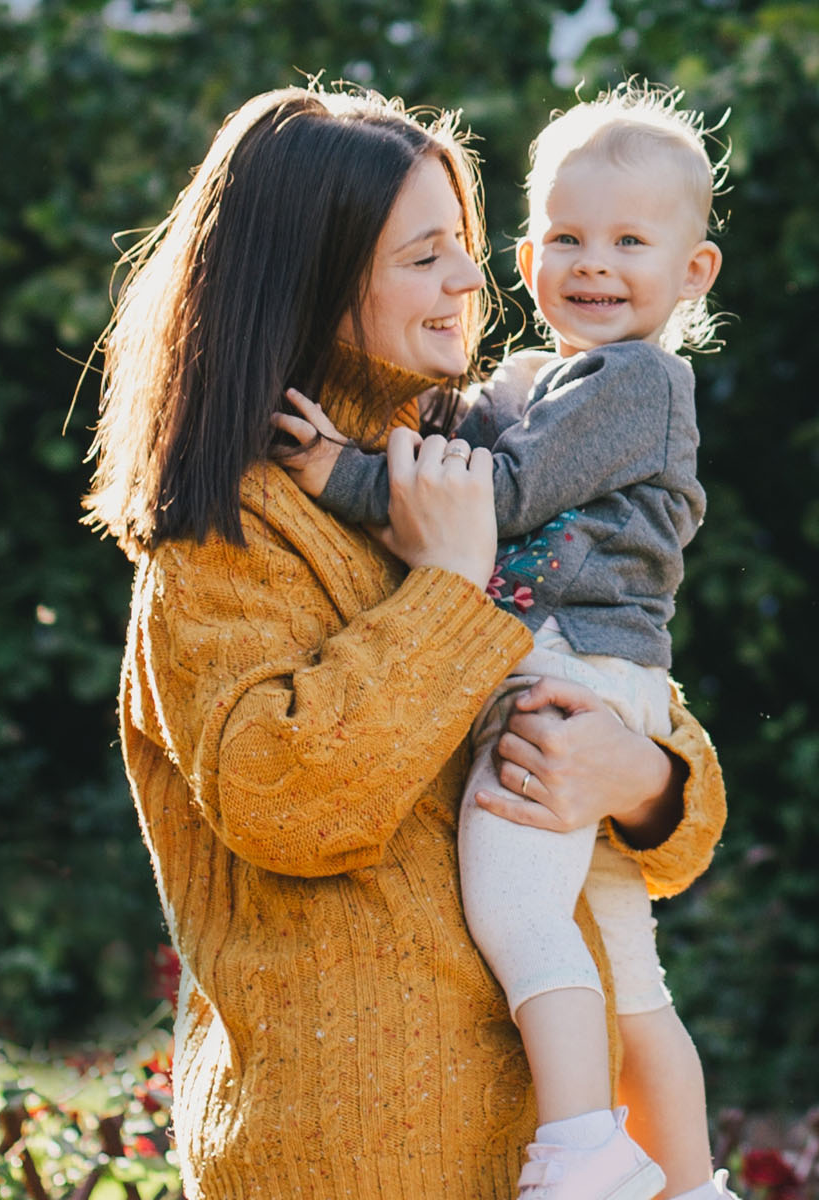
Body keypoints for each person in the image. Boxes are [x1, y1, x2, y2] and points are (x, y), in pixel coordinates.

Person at [82, 84, 726, 1199]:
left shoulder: (465, 463)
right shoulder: (230, 535)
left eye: (465, 249)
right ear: (319, 282)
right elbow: (291, 799)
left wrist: (643, 779)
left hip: (545, 1154)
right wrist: (445, 585)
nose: (473, 283)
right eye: (427, 256)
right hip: (357, 1155)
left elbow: (661, 787)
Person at [273, 86, 732, 1200]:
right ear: (526, 260)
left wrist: (340, 471)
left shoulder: (637, 382)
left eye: (631, 240)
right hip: (598, 677)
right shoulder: (540, 382)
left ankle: (581, 1150)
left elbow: (502, 495)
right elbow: (465, 441)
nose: (595, 262)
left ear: (693, 273)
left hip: (569, 669)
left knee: (519, 909)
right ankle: (690, 1186)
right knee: (630, 975)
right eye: (568, 237)